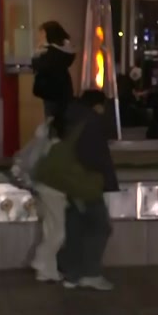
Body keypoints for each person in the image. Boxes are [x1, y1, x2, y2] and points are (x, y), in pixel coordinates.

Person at [56, 89, 118, 291]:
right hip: (86, 184)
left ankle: (71, 275)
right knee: (100, 227)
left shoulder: (71, 118)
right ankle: (91, 274)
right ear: (97, 105)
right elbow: (95, 156)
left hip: (71, 183)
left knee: (75, 229)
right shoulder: (91, 122)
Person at [30, 21, 76, 121]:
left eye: (42, 33)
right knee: (64, 121)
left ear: (49, 33)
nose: (40, 36)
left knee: (51, 122)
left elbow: (40, 66)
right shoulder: (66, 50)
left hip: (51, 92)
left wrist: (36, 55)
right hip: (65, 91)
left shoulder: (50, 52)